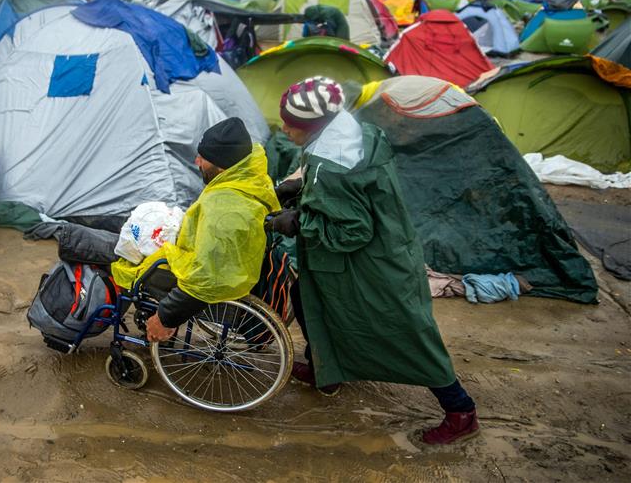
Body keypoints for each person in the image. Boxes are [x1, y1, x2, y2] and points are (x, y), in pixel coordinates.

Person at [266, 77, 479, 446]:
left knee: (406, 333)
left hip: (369, 265)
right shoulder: (353, 131)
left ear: (313, 125)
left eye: (290, 124)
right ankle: (325, 369)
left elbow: (352, 231)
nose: (284, 129)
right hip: (386, 245)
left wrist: (299, 221)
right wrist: (302, 187)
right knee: (306, 297)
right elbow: (355, 187)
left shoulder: (332, 164)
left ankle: (460, 411)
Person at [108, 117, 280, 342]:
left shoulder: (224, 211)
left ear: (223, 165)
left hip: (194, 277)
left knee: (103, 248)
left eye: (204, 158)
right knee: (118, 235)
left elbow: (207, 278)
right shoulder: (249, 179)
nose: (196, 161)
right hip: (207, 259)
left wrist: (165, 316)